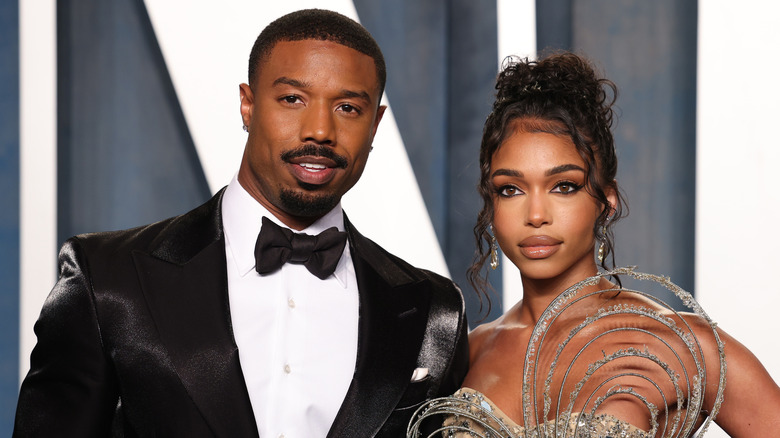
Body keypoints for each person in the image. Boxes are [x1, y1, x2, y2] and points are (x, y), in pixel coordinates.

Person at [14, 9, 468, 437]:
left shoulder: (434, 309)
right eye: (293, 99)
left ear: (375, 125)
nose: (319, 131)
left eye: (348, 107)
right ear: (247, 105)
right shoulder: (106, 278)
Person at [408, 53, 780, 437]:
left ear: (607, 200)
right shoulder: (469, 352)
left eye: (564, 186)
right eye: (511, 189)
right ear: (491, 203)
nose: (536, 214)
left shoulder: (682, 342)